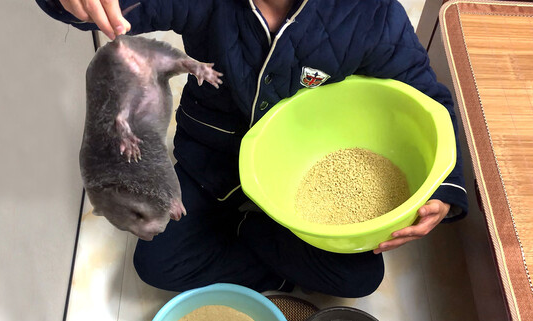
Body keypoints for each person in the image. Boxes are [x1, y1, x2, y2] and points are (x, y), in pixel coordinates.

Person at [36, 0, 468, 297]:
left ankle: (253, 231)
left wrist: (446, 187)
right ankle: (253, 242)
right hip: (213, 158)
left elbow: (427, 96)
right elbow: (109, 8)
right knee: (157, 264)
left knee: (359, 276)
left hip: (304, 177)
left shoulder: (371, 13)